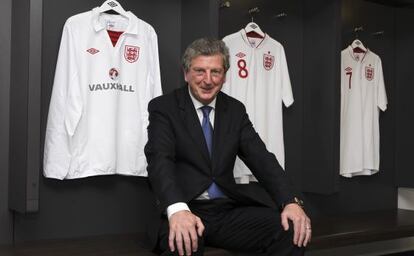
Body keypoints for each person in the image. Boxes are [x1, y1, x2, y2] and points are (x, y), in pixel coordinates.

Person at [144, 38, 311, 256]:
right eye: (199, 71)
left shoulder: (234, 110)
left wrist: (289, 201)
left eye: (216, 72)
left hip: (225, 212)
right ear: (186, 73)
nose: (208, 80)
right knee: (184, 243)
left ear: (224, 75)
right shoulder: (164, 108)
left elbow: (261, 159)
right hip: (183, 208)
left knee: (292, 228)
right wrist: (177, 209)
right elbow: (159, 161)